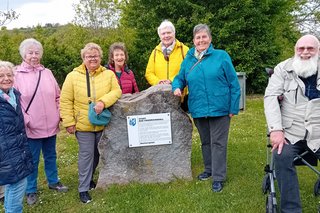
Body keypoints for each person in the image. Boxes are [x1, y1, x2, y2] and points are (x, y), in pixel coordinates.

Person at [172, 24, 240, 192]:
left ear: (210, 39)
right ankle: (209, 170)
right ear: (194, 41)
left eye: (204, 37)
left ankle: (218, 177)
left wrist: (233, 107)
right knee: (205, 142)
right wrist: (176, 86)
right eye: (198, 37)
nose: (201, 40)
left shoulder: (221, 56)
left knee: (218, 143)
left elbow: (234, 84)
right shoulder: (188, 60)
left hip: (220, 108)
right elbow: (179, 78)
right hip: (199, 108)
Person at [264, 34, 320, 213]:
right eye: (300, 48)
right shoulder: (283, 68)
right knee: (281, 155)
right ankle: (291, 210)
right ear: (295, 50)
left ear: (318, 50)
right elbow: (271, 96)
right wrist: (276, 130)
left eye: (310, 48)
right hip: (291, 132)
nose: (305, 52)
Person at [60, 42, 121, 203]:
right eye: (89, 56)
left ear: (100, 57)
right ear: (83, 58)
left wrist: (103, 102)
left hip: (103, 122)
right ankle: (83, 189)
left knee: (97, 155)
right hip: (83, 124)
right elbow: (65, 100)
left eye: (95, 56)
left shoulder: (108, 74)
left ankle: (90, 179)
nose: (92, 59)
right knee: (87, 155)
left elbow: (117, 91)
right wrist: (68, 122)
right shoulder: (73, 76)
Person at [14, 38, 68, 206]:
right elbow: (15, 101)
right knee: (32, 159)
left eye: (37, 52)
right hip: (31, 126)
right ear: (24, 54)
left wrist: (58, 114)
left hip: (50, 124)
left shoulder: (48, 73)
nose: (34, 56)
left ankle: (53, 181)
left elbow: (58, 95)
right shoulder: (16, 74)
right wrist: (27, 119)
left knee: (51, 155)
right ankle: (30, 190)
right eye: (30, 52)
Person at [0, 61, 33, 213]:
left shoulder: (13, 95)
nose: (6, 78)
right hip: (6, 153)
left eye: (9, 75)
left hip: (18, 149)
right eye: (1, 75)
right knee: (18, 185)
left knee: (12, 185)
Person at [145, 19, 189, 85]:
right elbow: (149, 73)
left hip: (181, 93)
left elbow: (189, 70)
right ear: (160, 36)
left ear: (174, 33)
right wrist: (158, 82)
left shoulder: (184, 50)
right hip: (160, 93)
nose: (166, 36)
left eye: (169, 32)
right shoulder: (155, 52)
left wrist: (171, 80)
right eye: (163, 33)